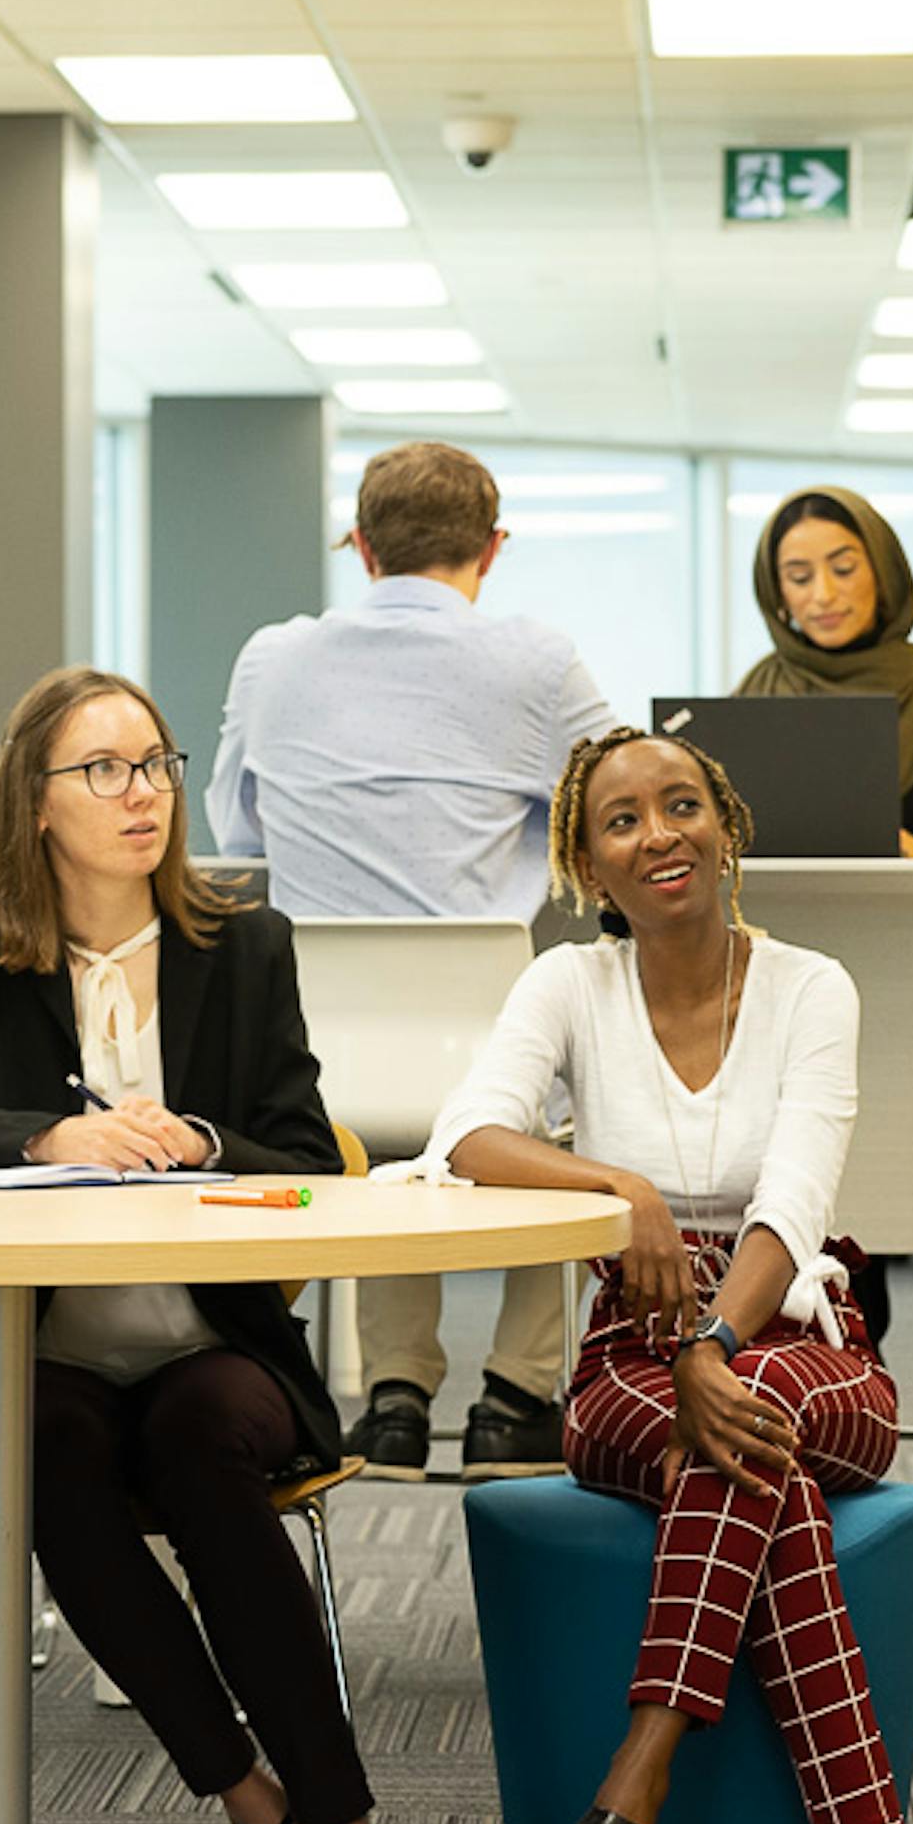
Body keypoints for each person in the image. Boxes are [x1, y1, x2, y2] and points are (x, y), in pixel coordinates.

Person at [0, 663, 461, 1824]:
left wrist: (199, 1138)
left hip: (208, 1338)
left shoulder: (240, 944)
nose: (142, 795)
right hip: (37, 1346)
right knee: (51, 1456)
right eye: (104, 770)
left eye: (156, 764)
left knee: (201, 1443)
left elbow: (305, 1153)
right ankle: (255, 1807)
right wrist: (47, 1133)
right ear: (36, 800)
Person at [424, 726, 913, 1824]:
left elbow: (795, 1202)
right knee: (765, 1475)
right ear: (588, 862)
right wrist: (619, 1184)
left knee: (745, 1414)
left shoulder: (816, 987)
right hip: (623, 1364)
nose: (661, 834)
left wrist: (713, 1338)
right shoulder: (569, 987)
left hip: (806, 1334)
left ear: (728, 824)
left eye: (683, 805)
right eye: (625, 819)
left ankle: (636, 1775)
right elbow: (469, 1136)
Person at [207, 439, 617, 1482]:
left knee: (386, 1124)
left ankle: (393, 1398)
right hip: (488, 1071)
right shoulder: (536, 663)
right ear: (494, 547)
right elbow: (628, 808)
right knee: (585, 1101)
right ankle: (519, 1395)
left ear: (360, 546)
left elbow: (232, 831)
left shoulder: (273, 658)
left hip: (318, 1064)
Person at [736, 486, 913, 860]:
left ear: (883, 573)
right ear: (777, 593)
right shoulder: (748, 707)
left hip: (906, 918)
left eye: (843, 569)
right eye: (800, 577)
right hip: (770, 919)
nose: (823, 594)